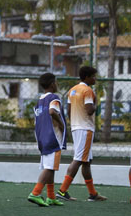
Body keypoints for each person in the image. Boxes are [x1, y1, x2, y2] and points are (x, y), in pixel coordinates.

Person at [58, 65, 106, 201]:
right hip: (85, 128)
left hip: (75, 127)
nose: (95, 79)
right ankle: (62, 191)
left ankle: (93, 194)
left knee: (86, 161)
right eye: (93, 76)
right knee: (79, 159)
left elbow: (68, 110)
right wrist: (97, 104)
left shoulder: (72, 90)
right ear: (87, 77)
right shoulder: (87, 90)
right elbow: (89, 110)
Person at [28, 72, 66, 207]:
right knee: (50, 168)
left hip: (42, 137)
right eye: (56, 82)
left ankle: (51, 197)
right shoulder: (54, 98)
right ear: (52, 84)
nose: (57, 84)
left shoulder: (39, 100)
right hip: (53, 138)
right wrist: (61, 123)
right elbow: (52, 111)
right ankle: (35, 193)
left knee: (50, 167)